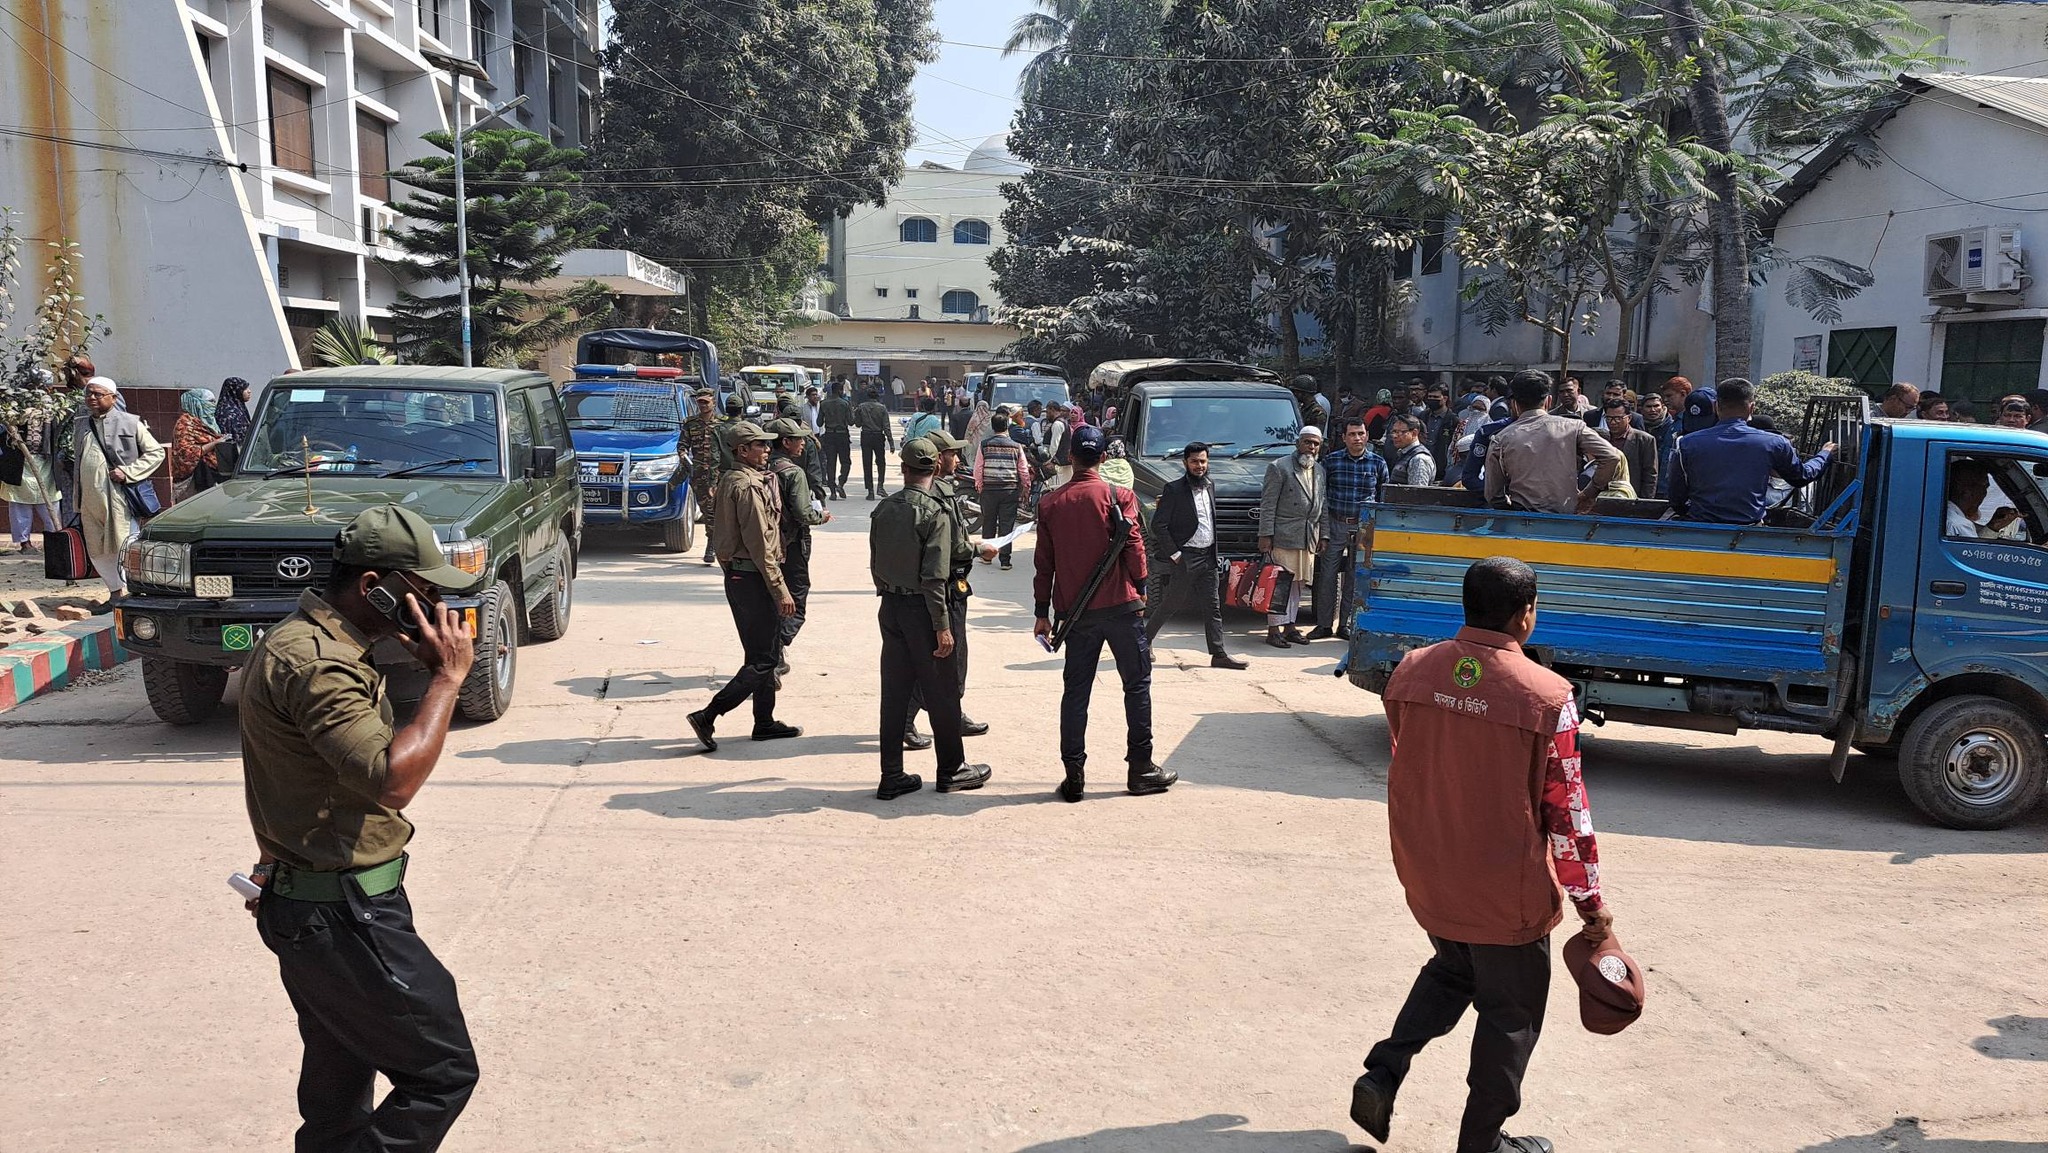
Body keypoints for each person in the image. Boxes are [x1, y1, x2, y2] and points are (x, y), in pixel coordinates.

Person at [239, 505, 483, 1153]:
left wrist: (275, 861)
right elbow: (393, 780)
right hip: (343, 915)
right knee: (442, 1070)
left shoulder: (310, 642)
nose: (434, 607)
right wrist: (447, 679)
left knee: (339, 1086)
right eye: (422, 591)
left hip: (317, 902)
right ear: (374, 585)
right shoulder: (319, 663)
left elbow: (292, 775)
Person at [1349, 556, 1613, 1153]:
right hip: (1504, 887)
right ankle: (1482, 1143)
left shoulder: (1412, 671)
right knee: (1510, 1013)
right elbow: (1567, 813)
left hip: (1430, 868)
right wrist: (1590, 903)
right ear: (1526, 615)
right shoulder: (1548, 696)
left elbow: (1410, 756)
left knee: (1455, 968)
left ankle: (1383, 1071)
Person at [1034, 425, 1174, 802]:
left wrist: (1041, 612)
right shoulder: (1120, 496)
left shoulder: (1050, 503)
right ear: (1103, 458)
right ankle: (1140, 768)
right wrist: (1141, 587)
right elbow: (1135, 549)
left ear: (1071, 457)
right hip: (1123, 607)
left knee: (1076, 693)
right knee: (1136, 685)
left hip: (1076, 614)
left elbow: (1044, 565)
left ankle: (1074, 775)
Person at [871, 438, 992, 799]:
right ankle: (952, 769)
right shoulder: (934, 512)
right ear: (936, 467)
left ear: (903, 469)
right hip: (924, 610)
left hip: (891, 606)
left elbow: (877, 564)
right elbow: (934, 577)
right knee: (942, 693)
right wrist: (942, 627)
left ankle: (891, 774)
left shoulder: (885, 508)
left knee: (894, 694)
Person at [686, 422, 802, 752]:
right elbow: (760, 545)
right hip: (754, 578)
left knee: (760, 652)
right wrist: (779, 589)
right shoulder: (748, 487)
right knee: (765, 659)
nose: (767, 450)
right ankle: (708, 715)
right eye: (760, 445)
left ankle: (764, 722)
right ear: (742, 450)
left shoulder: (730, 479)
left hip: (739, 576)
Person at [904, 428, 996, 748]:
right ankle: (907, 719)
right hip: (943, 584)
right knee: (944, 656)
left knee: (950, 656)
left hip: (942, 583)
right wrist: (978, 549)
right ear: (937, 459)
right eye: (952, 454)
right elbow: (953, 545)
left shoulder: (936, 490)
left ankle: (951, 713)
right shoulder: (939, 493)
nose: (957, 459)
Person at [1665, 378, 1836, 525]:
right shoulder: (1774, 442)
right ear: (1752, 408)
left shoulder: (1687, 443)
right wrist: (1824, 455)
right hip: (1749, 531)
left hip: (1699, 529)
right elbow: (1801, 477)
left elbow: (1676, 497)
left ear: (1716, 406)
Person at [1145, 442, 1248, 669]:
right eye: (1194, 461)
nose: (1199, 466)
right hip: (1186, 557)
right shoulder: (1173, 489)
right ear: (1185, 463)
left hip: (1208, 556)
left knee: (1213, 606)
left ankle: (1218, 654)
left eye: (1203, 461)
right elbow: (1158, 525)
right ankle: (1145, 640)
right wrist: (1175, 554)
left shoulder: (1210, 485)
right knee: (1172, 602)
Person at [70, 377, 165, 596]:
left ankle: (133, 592)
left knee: (124, 543)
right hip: (89, 498)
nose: (92, 398)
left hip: (118, 496)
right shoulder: (81, 423)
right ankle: (115, 592)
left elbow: (156, 452)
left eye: (98, 394)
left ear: (113, 398)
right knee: (96, 547)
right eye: (89, 394)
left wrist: (128, 472)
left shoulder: (130, 422)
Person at [1484, 371, 1622, 515]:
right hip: (1566, 518)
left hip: (1521, 519)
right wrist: (1589, 493)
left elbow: (1493, 495)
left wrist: (1509, 511)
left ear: (1514, 403)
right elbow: (1612, 456)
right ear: (1548, 401)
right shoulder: (1574, 427)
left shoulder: (1501, 438)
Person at [1309, 417, 1388, 641]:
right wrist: (1322, 529)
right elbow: (1321, 496)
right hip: (1335, 523)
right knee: (1327, 576)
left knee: (1355, 578)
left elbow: (1383, 497)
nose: (1357, 438)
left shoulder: (1377, 463)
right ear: (1344, 438)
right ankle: (1324, 625)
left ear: (1367, 436)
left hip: (1363, 527)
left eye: (1361, 434)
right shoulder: (1331, 462)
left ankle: (1346, 625)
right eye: (1352, 434)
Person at [1258, 425, 1328, 648]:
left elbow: (1323, 505)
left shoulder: (1319, 470)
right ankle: (1273, 630)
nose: (1311, 447)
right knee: (1280, 583)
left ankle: (1290, 627)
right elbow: (1268, 504)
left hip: (1308, 537)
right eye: (1307, 442)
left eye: (1315, 444)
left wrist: (1324, 535)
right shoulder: (1279, 467)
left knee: (1298, 584)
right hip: (1284, 535)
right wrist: (1265, 535)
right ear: (1298, 443)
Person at [766, 418, 830, 663]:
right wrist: (821, 516)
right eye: (798, 439)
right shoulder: (793, 472)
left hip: (765, 545)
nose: (803, 443)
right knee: (796, 599)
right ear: (786, 442)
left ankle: (771, 651)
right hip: (792, 544)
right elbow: (804, 513)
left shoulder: (759, 469)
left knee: (772, 598)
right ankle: (775, 648)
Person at [974, 410, 1028, 571]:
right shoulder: (1016, 446)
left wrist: (979, 485)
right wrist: (1026, 486)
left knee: (988, 522)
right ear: (1007, 427)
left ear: (993, 427)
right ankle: (1005, 560)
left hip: (989, 490)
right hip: (1009, 490)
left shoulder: (984, 445)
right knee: (1006, 525)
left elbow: (978, 468)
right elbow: (1023, 469)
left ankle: (987, 556)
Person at [1, 409, 61, 553]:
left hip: (46, 462)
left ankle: (54, 541)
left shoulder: (53, 409)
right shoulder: (13, 410)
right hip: (18, 462)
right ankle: (25, 543)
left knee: (51, 502)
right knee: (19, 504)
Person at [170, 387, 229, 502]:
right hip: (194, 480)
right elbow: (185, 453)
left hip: (212, 476)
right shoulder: (185, 423)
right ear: (196, 403)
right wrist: (215, 443)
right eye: (210, 401)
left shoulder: (209, 422)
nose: (213, 405)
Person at [683, 389, 722, 555]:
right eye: (700, 402)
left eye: (706, 402)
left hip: (719, 474)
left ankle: (715, 544)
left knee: (719, 510)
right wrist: (684, 457)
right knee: (707, 511)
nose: (703, 405)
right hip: (700, 475)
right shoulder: (690, 423)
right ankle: (712, 542)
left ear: (713, 402)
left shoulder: (721, 424)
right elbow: (682, 446)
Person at [1945, 458, 2025, 539]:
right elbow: (1974, 547)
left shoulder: (1946, 515)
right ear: (1966, 491)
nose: (1984, 494)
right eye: (1984, 487)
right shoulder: (1959, 525)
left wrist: (1993, 526)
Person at [1599, 400, 1658, 501]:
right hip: (1603, 495)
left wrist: (1645, 501)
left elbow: (1650, 474)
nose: (1613, 422)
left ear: (1629, 418)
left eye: (1618, 418)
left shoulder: (1644, 440)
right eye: (1608, 418)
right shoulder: (1601, 439)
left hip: (1632, 496)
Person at [856, 386, 896, 499]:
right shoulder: (882, 408)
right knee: (881, 462)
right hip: (878, 436)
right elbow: (886, 427)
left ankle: (870, 491)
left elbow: (857, 424)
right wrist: (891, 443)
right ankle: (880, 486)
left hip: (866, 435)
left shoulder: (861, 407)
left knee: (867, 463)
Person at [1636, 393, 1679, 499]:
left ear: (1663, 407)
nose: (1653, 410)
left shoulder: (1672, 428)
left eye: (1656, 406)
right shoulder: (1636, 426)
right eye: (1649, 406)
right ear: (1642, 409)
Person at [818, 380, 854, 500]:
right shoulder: (845, 404)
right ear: (840, 391)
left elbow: (819, 422)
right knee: (846, 462)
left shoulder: (823, 404)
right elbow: (851, 421)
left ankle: (832, 491)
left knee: (830, 463)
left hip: (829, 435)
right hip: (842, 435)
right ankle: (841, 483)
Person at [1385, 416, 1438, 488]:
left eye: (1400, 432)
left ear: (1414, 433)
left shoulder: (1419, 459)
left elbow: (1417, 492)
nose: (1395, 436)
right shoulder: (1403, 453)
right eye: (1394, 431)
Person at [215, 376, 255, 449]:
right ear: (235, 390)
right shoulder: (229, 414)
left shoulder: (239, 408)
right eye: (244, 389)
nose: (249, 391)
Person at [1040, 401, 1074, 488]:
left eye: (1047, 412)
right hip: (1065, 461)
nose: (1046, 415)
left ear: (1052, 409)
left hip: (1059, 464)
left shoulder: (1057, 424)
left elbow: (1054, 445)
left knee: (1059, 487)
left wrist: (1050, 461)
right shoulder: (1064, 422)